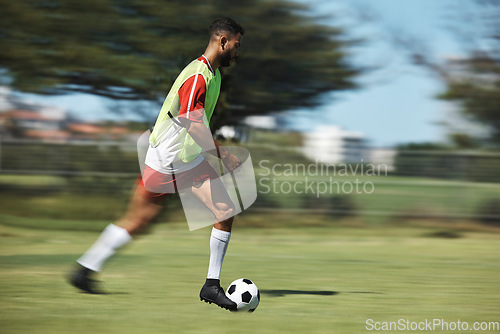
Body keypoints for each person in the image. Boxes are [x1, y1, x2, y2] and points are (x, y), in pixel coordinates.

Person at [69, 17, 244, 311]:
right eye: (236, 45)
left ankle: (210, 286)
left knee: (222, 211)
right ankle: (85, 269)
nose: (238, 52)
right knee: (140, 220)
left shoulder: (212, 75)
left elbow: (195, 122)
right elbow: (191, 121)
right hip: (169, 160)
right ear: (222, 41)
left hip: (183, 157)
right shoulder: (199, 75)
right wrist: (222, 153)